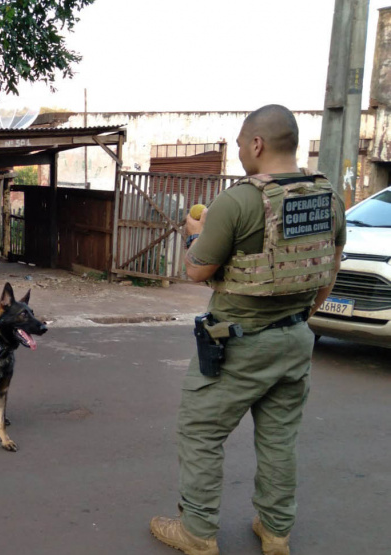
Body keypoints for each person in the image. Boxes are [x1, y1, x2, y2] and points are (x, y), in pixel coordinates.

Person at [149, 105, 346, 555]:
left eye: (240, 143)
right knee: (279, 439)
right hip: (297, 338)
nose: (239, 151)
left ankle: (197, 533)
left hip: (238, 343)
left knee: (201, 432)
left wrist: (194, 234)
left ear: (256, 144)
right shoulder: (328, 198)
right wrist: (299, 317)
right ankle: (276, 532)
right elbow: (328, 271)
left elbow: (197, 271)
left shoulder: (237, 201)